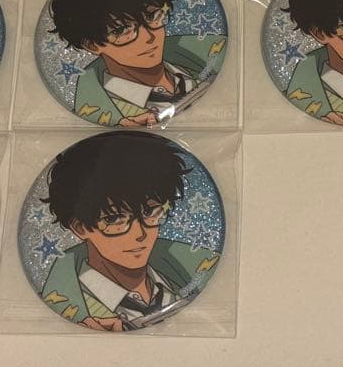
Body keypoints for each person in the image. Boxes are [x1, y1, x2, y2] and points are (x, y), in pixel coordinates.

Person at [39, 132, 220, 331]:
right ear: (80, 227)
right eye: (114, 219)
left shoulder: (188, 276)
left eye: (150, 212)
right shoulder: (69, 303)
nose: (140, 233)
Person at [49, 0, 226, 126]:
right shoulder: (110, 110)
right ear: (92, 45)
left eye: (151, 16)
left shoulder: (202, 63)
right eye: (121, 30)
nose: (149, 37)